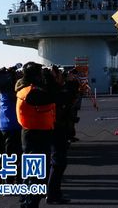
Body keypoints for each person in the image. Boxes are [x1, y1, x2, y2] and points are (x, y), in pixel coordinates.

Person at [16, 62, 56, 208]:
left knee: (31, 174)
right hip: (36, 136)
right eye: (40, 72)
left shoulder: (25, 90)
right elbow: (54, 97)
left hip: (31, 134)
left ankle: (26, 201)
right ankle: (29, 204)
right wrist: (51, 79)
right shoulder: (33, 92)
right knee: (37, 177)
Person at [46, 66, 76, 204]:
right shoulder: (51, 91)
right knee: (58, 162)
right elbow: (67, 99)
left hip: (51, 128)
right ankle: (52, 194)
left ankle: (50, 193)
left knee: (54, 163)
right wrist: (71, 83)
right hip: (54, 129)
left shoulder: (45, 89)